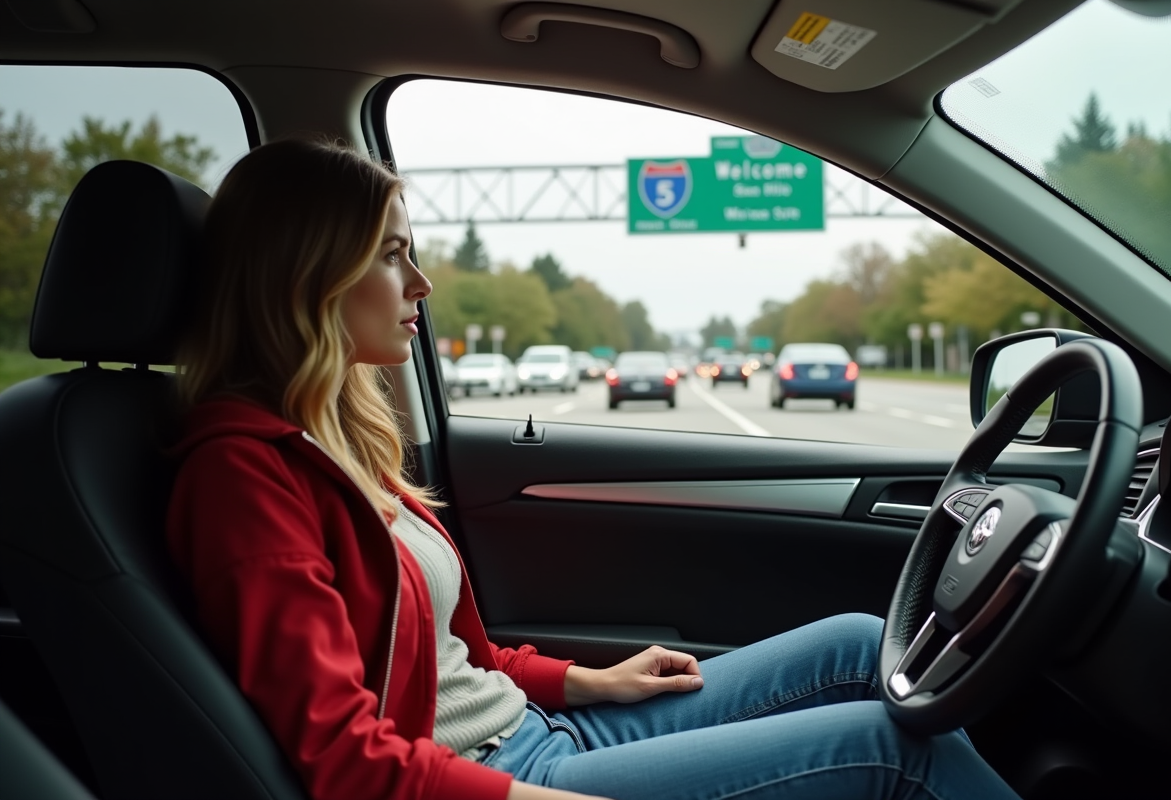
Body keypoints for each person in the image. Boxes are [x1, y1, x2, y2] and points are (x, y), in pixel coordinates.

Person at [166, 138, 1018, 800]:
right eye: (391, 256)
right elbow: (342, 760)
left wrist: (585, 680)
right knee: (892, 750)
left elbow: (458, 662)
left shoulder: (337, 441)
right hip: (492, 776)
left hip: (538, 732)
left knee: (858, 645)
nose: (420, 282)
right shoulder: (243, 477)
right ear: (309, 275)